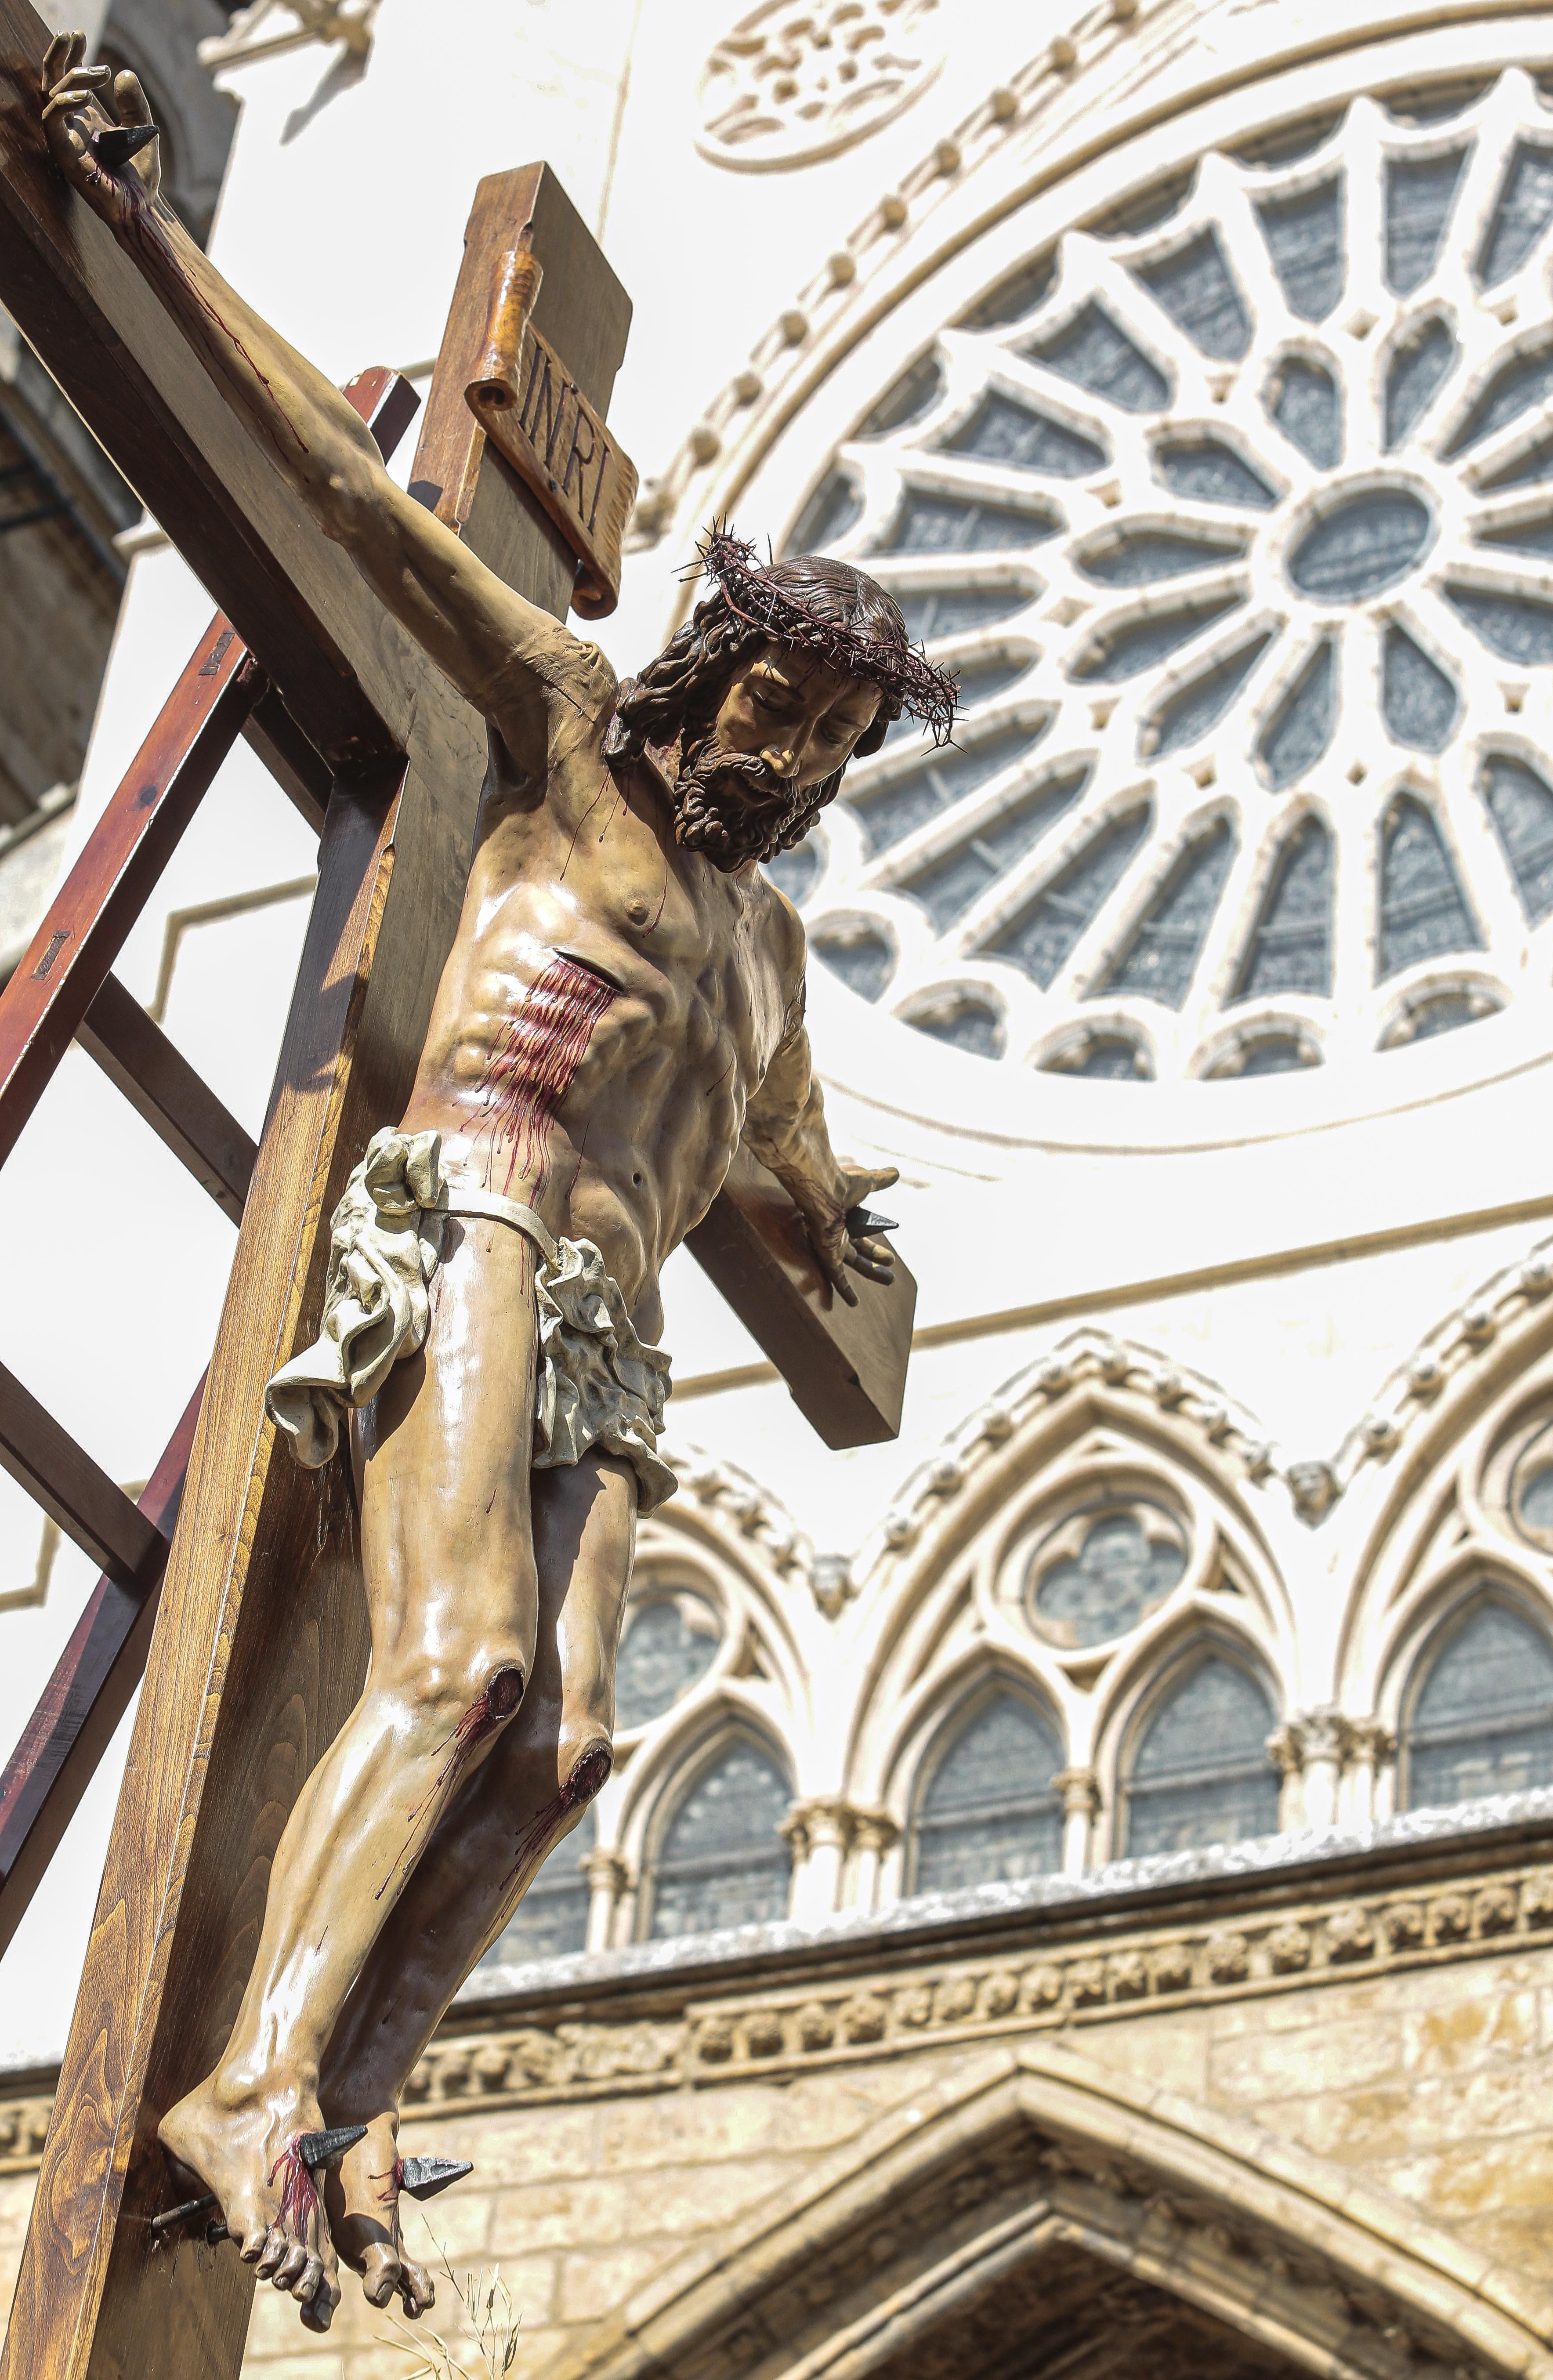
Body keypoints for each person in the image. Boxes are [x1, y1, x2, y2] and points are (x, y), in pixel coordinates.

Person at [38, 31, 957, 2336]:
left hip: (612, 1328)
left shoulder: (764, 951)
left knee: (559, 1733)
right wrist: (146, 235)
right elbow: (358, 518)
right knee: (446, 1661)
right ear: (709, 677)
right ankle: (243, 2081)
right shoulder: (563, 723)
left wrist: (846, 1224)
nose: (803, 773)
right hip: (477, 1196)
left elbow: (802, 1174)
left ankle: (330, 2103)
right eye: (786, 720)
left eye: (841, 754)